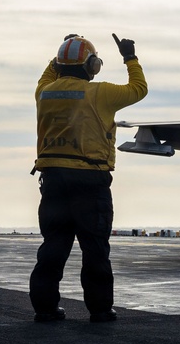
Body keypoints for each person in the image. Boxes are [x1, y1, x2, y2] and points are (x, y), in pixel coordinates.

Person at [29, 33, 147, 323]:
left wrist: (60, 52)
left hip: (53, 180)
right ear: (92, 66)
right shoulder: (100, 93)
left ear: (58, 64)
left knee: (53, 246)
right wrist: (130, 57)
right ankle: (100, 310)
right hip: (90, 180)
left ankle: (45, 309)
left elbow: (51, 71)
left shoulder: (44, 92)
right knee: (95, 248)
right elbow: (139, 88)